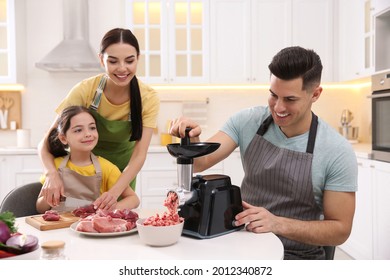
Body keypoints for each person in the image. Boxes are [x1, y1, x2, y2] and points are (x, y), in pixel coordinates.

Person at [169, 46, 357, 260]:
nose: (278, 107)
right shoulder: (247, 121)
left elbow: (340, 230)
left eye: (290, 99)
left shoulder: (336, 150)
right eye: (273, 95)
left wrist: (277, 223)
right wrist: (192, 139)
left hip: (296, 255)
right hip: (243, 243)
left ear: (315, 94)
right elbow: (201, 162)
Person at [37, 28, 159, 210]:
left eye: (130, 60)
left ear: (138, 59)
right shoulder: (86, 90)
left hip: (120, 176)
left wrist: (115, 192)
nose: (122, 68)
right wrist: (51, 174)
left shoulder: (147, 98)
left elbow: (139, 155)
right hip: (82, 168)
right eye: (113, 61)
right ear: (101, 59)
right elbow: (47, 141)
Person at [36, 106, 140, 213]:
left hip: (90, 228)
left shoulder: (107, 168)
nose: (88, 134)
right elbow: (39, 208)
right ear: (63, 138)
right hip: (57, 228)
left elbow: (134, 200)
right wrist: (50, 197)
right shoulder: (55, 166)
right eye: (78, 130)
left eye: (92, 128)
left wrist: (111, 208)